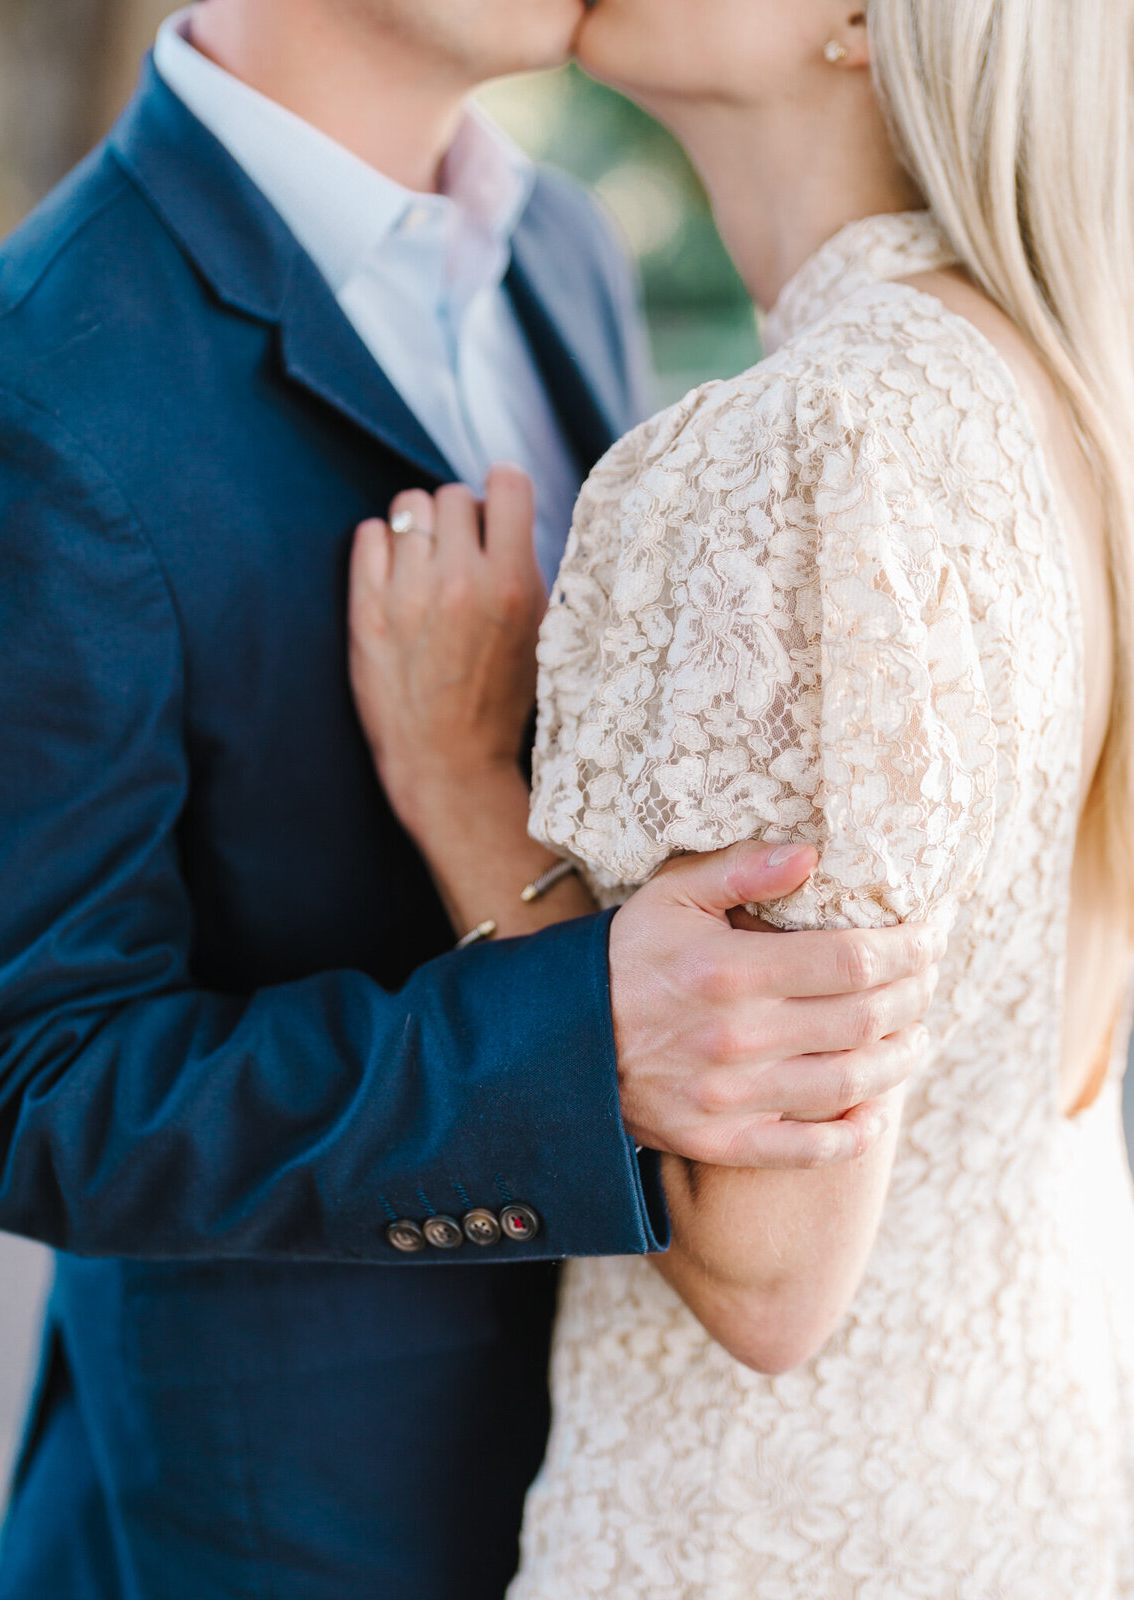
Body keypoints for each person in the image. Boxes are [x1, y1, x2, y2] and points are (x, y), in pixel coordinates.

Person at [0, 3, 938, 1597]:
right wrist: (568, 1036)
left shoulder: (560, 244)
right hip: (291, 1522)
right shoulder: (42, 382)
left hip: (632, 1472)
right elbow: (23, 1082)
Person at [349, 0, 1134, 1593]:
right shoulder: (1052, 392)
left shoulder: (806, 446)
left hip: (755, 1534)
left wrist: (454, 781)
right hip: (1020, 1505)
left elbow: (772, 1274)